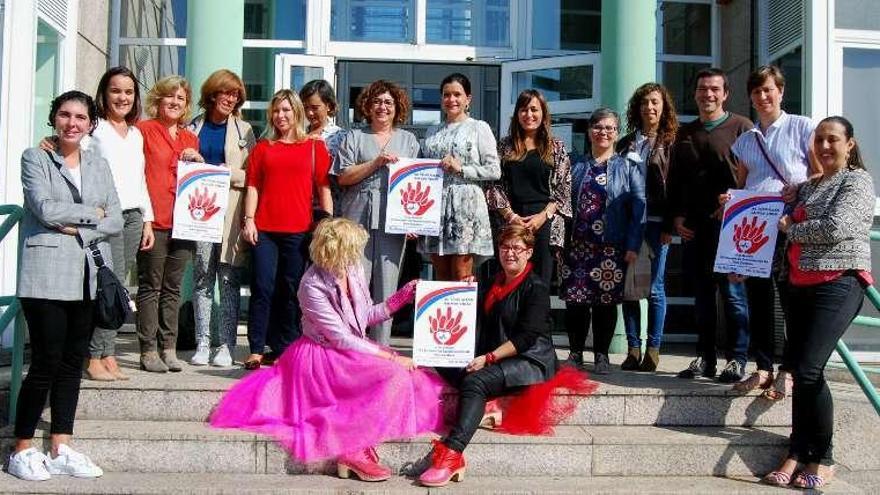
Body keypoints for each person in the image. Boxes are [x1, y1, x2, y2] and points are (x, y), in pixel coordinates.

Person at [211, 218, 447, 481]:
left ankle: (360, 443)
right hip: (322, 357)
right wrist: (391, 356)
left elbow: (363, 317)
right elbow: (341, 338)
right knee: (394, 374)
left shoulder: (352, 268)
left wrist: (400, 298)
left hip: (350, 350)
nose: (359, 253)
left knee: (411, 376)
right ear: (338, 250)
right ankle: (352, 449)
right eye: (354, 248)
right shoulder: (310, 285)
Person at [419, 225, 593, 487]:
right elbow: (472, 316)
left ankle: (453, 453)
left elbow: (526, 338)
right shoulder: (492, 278)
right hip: (498, 356)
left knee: (475, 381)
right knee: (444, 360)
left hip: (529, 361)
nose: (510, 253)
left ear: (529, 252)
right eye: (505, 247)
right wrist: (467, 290)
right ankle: (490, 403)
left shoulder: (536, 288)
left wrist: (488, 358)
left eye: (516, 248)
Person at [8, 90, 122, 480]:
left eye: (80, 117)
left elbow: (117, 219)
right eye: (64, 115)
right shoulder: (35, 157)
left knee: (73, 364)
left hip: (87, 275)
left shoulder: (98, 163)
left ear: (91, 124)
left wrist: (76, 222)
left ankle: (61, 445)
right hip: (45, 275)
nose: (72, 123)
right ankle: (21, 447)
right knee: (45, 363)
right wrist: (93, 214)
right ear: (54, 119)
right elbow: (44, 207)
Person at [762, 116, 873, 489]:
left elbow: (837, 227)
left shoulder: (856, 181)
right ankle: (796, 452)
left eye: (833, 140)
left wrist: (792, 229)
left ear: (850, 145)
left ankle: (823, 459)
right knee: (800, 373)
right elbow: (781, 211)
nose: (824, 147)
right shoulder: (809, 187)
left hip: (838, 283)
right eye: (819, 140)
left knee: (809, 369)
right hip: (798, 285)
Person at [39, 67, 154, 381]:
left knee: (116, 288)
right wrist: (50, 139)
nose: (123, 97)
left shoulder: (135, 133)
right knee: (105, 285)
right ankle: (94, 356)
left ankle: (109, 353)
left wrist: (147, 219)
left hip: (131, 217)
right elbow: (70, 149)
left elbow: (140, 178)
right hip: (102, 218)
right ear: (105, 93)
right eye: (116, 90)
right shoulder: (95, 128)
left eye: (129, 92)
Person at [729, 65, 817, 397]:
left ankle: (789, 369)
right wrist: (730, 200)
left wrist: (801, 188)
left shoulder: (801, 126)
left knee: (790, 300)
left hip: (789, 226)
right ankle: (763, 367)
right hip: (756, 231)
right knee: (758, 299)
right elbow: (741, 185)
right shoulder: (746, 140)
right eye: (756, 92)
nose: (763, 97)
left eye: (769, 90)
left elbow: (820, 175)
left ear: (781, 91)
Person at [667, 68, 752, 382]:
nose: (708, 94)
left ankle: (737, 359)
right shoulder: (685, 134)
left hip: (732, 228)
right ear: (695, 94)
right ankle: (705, 359)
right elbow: (674, 181)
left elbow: (752, 176)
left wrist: (737, 201)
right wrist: (676, 218)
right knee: (702, 298)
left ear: (725, 93)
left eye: (714, 89)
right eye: (703, 89)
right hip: (695, 229)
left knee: (732, 295)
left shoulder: (742, 127)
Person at [241, 89, 332, 369]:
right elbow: (253, 186)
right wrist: (249, 220)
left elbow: (324, 188)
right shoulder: (263, 148)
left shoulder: (315, 148)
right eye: (276, 111)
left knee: (292, 290)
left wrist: (327, 223)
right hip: (265, 229)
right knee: (263, 287)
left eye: (286, 111)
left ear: (297, 113)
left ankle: (287, 348)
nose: (281, 116)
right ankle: (257, 348)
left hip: (299, 230)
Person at [560, 108, 646, 375]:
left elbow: (639, 207)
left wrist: (633, 245)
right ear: (589, 131)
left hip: (611, 247)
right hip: (577, 246)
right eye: (598, 127)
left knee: (605, 303)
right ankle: (575, 353)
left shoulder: (628, 167)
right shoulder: (576, 165)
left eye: (609, 128)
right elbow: (564, 203)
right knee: (575, 302)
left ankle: (601, 355)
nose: (603, 132)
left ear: (616, 133)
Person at [334, 80, 419, 345]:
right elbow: (343, 176)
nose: (383, 107)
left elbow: (417, 183)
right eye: (377, 102)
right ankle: (352, 346)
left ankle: (381, 349)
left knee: (387, 288)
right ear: (367, 107)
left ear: (397, 108)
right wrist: (376, 162)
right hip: (356, 216)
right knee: (354, 286)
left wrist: (414, 220)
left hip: (394, 220)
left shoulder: (409, 141)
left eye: (388, 103)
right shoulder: (354, 137)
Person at [188, 69, 256, 367]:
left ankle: (226, 345)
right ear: (212, 94)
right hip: (200, 212)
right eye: (225, 92)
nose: (230, 98)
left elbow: (253, 176)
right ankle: (202, 342)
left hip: (230, 214)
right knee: (203, 277)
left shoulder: (245, 130)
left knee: (228, 279)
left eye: (235, 94)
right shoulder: (193, 127)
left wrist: (221, 173)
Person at [136, 75, 203, 373]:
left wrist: (198, 158)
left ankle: (169, 348)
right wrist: (144, 218)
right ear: (159, 100)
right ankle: (148, 349)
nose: (175, 102)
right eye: (170, 97)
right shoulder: (143, 130)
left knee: (173, 288)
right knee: (151, 287)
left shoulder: (191, 138)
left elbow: (201, 181)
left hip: (185, 224)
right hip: (155, 219)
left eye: (181, 98)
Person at [617, 83, 679, 372]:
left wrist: (670, 224)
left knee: (654, 289)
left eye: (655, 102)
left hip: (656, 225)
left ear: (663, 106)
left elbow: (676, 187)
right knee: (629, 288)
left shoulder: (671, 141)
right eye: (644, 102)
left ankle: (653, 350)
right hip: (629, 227)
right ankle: (632, 349)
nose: (649, 107)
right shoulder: (625, 143)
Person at [486, 89, 572, 286]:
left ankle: (538, 318)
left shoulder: (556, 147)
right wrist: (511, 217)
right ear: (517, 114)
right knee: (510, 280)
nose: (529, 115)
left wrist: (543, 216)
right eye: (524, 110)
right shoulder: (504, 146)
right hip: (511, 220)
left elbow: (564, 187)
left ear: (543, 113)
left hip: (544, 221)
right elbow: (493, 185)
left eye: (534, 109)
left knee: (540, 281)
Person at [420, 73, 501, 280]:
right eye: (446, 95)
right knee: (441, 276)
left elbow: (494, 169)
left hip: (465, 207)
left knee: (461, 276)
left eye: (457, 94)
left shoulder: (478, 127)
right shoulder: (432, 131)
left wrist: (462, 169)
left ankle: (465, 314)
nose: (451, 99)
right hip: (435, 208)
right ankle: (441, 314)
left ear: (468, 99)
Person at [301, 79, 346, 216]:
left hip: (332, 211)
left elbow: (344, 176)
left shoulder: (341, 137)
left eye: (315, 108)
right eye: (305, 107)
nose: (309, 113)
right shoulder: (299, 136)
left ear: (329, 106)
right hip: (302, 209)